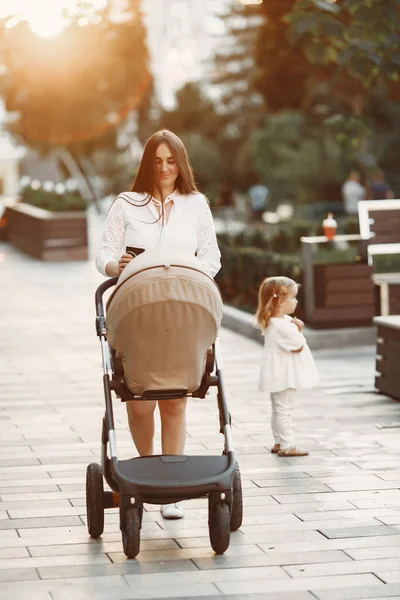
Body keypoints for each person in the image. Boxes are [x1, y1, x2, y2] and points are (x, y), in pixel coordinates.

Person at [95, 130, 221, 519]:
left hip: (181, 308)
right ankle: (147, 477)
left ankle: (171, 486)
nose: (164, 169)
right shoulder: (126, 205)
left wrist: (187, 271)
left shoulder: (196, 204)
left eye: (171, 161)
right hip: (137, 309)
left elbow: (212, 257)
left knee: (175, 399)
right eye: (157, 161)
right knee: (137, 404)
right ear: (147, 164)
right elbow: (103, 255)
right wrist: (120, 266)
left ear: (180, 163)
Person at [256, 276, 319, 457]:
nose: (296, 301)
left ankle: (279, 441)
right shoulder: (284, 326)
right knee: (285, 410)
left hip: (277, 373)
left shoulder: (274, 322)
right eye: (293, 297)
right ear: (281, 301)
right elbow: (298, 346)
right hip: (285, 375)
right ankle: (287, 445)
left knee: (278, 408)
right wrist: (298, 329)